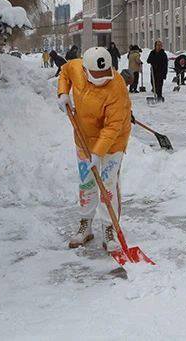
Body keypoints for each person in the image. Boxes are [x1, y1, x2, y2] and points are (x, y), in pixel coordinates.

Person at [56, 47, 132, 251]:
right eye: (96, 75)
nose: (102, 79)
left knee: (107, 183)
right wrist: (63, 93)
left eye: (105, 74)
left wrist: (98, 153)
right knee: (87, 183)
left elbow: (113, 126)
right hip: (83, 139)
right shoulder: (76, 67)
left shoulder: (117, 88)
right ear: (85, 69)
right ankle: (85, 224)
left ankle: (109, 228)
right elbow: (64, 71)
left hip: (113, 142)